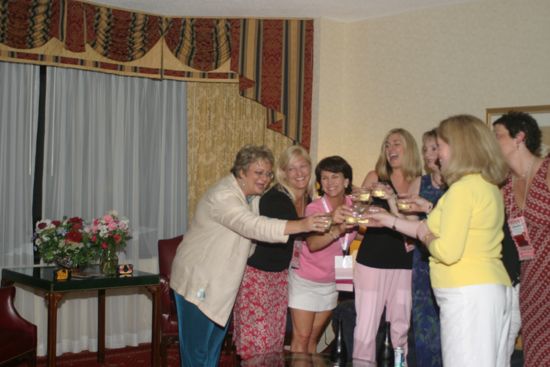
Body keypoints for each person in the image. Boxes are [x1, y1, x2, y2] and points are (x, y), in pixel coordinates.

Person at [366, 115, 512, 367]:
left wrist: (425, 235)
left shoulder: (462, 190)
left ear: (459, 147)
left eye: (440, 146)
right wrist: (389, 219)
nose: (436, 155)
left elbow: (446, 250)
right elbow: (427, 225)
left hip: (467, 292)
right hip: (489, 287)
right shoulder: (485, 185)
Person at [169, 145, 329, 367]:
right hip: (199, 281)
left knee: (212, 349)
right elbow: (252, 226)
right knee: (197, 351)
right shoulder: (223, 196)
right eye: (258, 173)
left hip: (222, 284)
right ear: (241, 172)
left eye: (268, 173)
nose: (265, 179)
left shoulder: (250, 197)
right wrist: (302, 224)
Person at [232, 145, 315, 361]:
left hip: (280, 276)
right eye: (291, 168)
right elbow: (291, 227)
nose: (299, 173)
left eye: (303, 166)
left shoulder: (310, 200)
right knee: (257, 343)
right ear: (283, 173)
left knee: (273, 342)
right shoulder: (276, 197)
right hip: (257, 276)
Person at [352, 128, 422, 363]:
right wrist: (361, 206)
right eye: (387, 145)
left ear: (409, 148)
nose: (390, 149)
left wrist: (392, 204)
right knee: (366, 326)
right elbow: (358, 221)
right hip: (371, 261)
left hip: (405, 263)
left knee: (401, 327)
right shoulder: (375, 177)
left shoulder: (419, 182)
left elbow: (419, 228)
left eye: (396, 144)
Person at [493, 111, 550, 366]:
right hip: (530, 283)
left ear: (520, 137)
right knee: (536, 354)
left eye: (498, 136)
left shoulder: (547, 171)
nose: (492, 143)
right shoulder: (504, 186)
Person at [288, 156, 356, 353]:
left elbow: (365, 228)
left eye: (335, 177)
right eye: (324, 178)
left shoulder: (354, 206)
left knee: (312, 340)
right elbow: (313, 244)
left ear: (346, 181)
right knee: (301, 338)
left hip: (333, 282)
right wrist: (337, 229)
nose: (329, 183)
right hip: (306, 281)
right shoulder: (315, 208)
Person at [405, 129, 445, 367]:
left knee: (449, 326)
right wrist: (391, 203)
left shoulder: (458, 184)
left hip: (450, 260)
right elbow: (409, 223)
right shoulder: (419, 182)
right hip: (422, 261)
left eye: (434, 148)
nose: (428, 154)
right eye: (425, 149)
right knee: (424, 325)